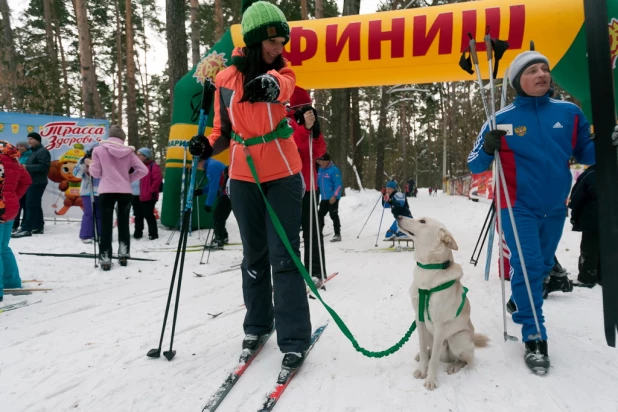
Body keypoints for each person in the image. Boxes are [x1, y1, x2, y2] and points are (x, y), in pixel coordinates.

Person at [188, 0, 312, 371]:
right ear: (257, 39)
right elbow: (220, 132)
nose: (280, 48)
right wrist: (205, 147)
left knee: (285, 256)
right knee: (253, 256)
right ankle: (258, 325)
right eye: (274, 41)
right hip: (243, 178)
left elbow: (285, 85)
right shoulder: (225, 80)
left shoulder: (283, 73)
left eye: (282, 40)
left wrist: (271, 84)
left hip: (284, 175)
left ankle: (294, 338)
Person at [467, 50, 595, 374]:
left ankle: (522, 300)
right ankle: (535, 336)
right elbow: (475, 164)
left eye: (544, 69)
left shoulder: (570, 114)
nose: (541, 74)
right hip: (516, 204)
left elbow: (587, 153)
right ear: (516, 81)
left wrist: (609, 143)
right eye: (532, 71)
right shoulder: (500, 119)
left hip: (555, 207)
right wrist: (487, 148)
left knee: (542, 266)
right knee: (527, 264)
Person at [88, 125, 148, 270]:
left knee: (106, 226)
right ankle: (123, 255)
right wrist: (128, 178)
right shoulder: (129, 152)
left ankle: (105, 259)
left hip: (106, 191)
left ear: (110, 136)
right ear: (123, 139)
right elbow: (143, 170)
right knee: (123, 224)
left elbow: (95, 174)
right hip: (125, 192)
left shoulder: (98, 150)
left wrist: (90, 165)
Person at [287, 86, 327, 283]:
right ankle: (290, 272)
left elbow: (319, 152)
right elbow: (292, 146)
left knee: (313, 230)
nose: (306, 110)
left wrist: (316, 133)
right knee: (290, 232)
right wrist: (304, 129)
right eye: (302, 107)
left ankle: (317, 270)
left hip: (310, 186)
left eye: (308, 106)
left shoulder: (310, 122)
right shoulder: (286, 120)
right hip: (289, 186)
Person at [0, 141, 32, 302]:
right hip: (10, 208)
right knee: (3, 248)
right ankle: (12, 282)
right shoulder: (14, 162)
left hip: (1, 207)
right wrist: (14, 196)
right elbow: (26, 181)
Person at [12, 132, 50, 238]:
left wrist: (26, 167)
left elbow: (43, 167)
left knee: (30, 205)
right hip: (31, 181)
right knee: (35, 205)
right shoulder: (34, 152)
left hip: (37, 182)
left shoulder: (42, 152)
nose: (29, 141)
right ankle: (38, 226)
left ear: (38, 140)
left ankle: (26, 229)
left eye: (32, 139)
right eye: (28, 139)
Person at [568, 165, 601, 287]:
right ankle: (603, 275)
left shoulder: (591, 173)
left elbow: (577, 196)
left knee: (590, 246)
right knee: (606, 246)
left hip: (593, 215)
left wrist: (574, 213)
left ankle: (587, 276)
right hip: (610, 217)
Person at [195, 157, 231, 248]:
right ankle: (223, 237)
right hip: (227, 192)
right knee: (219, 216)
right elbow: (213, 183)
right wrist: (202, 191)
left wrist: (208, 203)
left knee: (217, 217)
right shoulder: (211, 165)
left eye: (198, 164)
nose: (198, 166)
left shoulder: (212, 166)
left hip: (228, 193)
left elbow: (214, 187)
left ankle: (219, 240)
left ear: (202, 160)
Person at [73, 146, 101, 244]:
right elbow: (76, 174)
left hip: (102, 191)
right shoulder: (83, 161)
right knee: (89, 213)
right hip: (87, 191)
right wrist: (83, 164)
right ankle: (86, 235)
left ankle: (100, 234)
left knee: (100, 214)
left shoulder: (104, 160)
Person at [135, 148, 162, 240]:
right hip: (138, 195)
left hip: (149, 195)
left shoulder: (153, 166)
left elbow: (157, 180)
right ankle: (138, 233)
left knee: (148, 214)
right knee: (138, 214)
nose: (137, 156)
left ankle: (153, 234)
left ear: (145, 156)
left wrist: (151, 191)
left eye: (139, 154)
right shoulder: (138, 166)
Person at [316, 153, 342, 242]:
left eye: (323, 161)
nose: (321, 163)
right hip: (324, 198)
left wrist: (335, 196)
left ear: (327, 161)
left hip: (333, 197)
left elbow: (338, 184)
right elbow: (317, 183)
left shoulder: (334, 170)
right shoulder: (320, 170)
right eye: (320, 161)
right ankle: (318, 233)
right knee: (320, 215)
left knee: (333, 214)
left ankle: (337, 234)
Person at [12, 141, 31, 233]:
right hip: (16, 183)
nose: (20, 147)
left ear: (26, 147)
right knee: (16, 205)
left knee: (26, 205)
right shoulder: (14, 156)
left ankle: (24, 225)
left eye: (22, 146)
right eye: (18, 146)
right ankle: (14, 225)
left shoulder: (31, 155)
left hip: (27, 183)